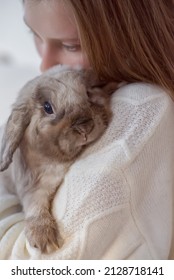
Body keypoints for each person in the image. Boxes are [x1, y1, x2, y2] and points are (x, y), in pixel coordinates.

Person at [0, 0, 174, 259]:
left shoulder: (141, 106)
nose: (44, 66)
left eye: (72, 45)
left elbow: (42, 267)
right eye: (34, 35)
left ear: (131, 32)